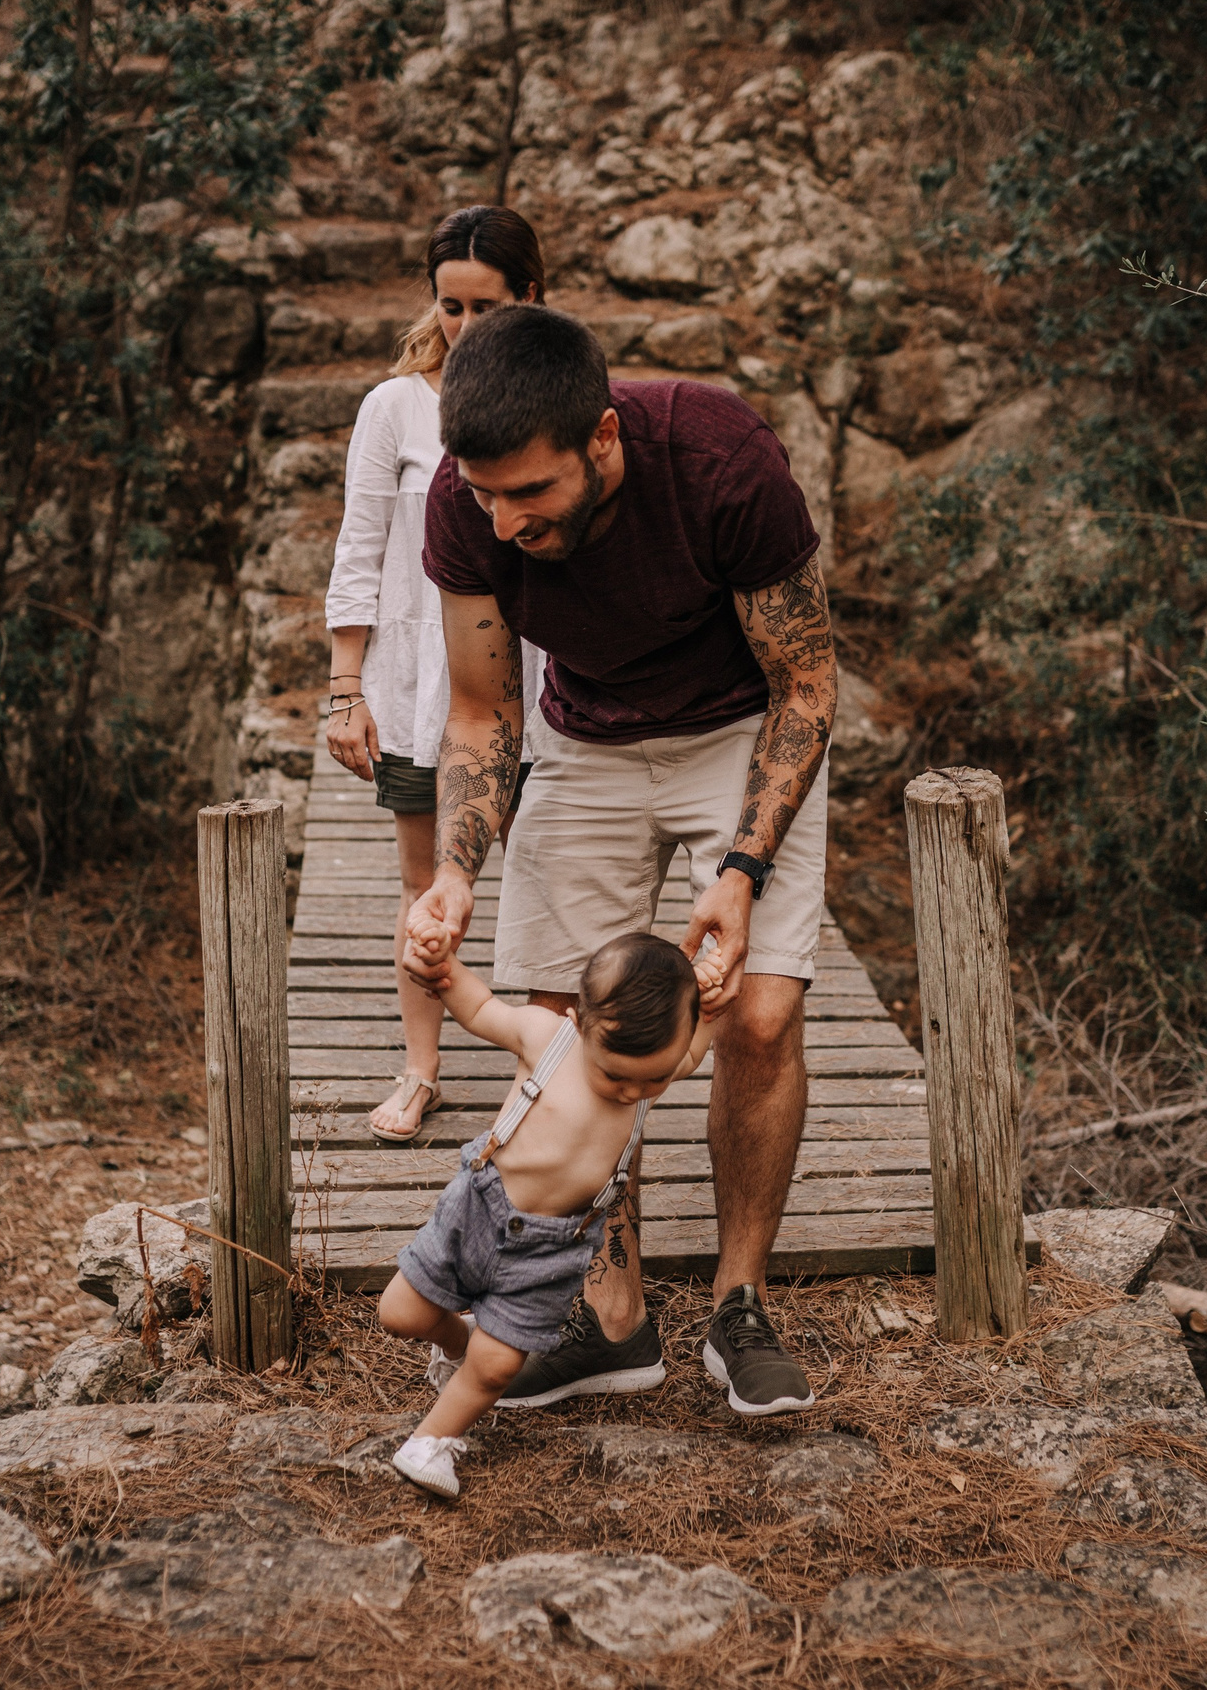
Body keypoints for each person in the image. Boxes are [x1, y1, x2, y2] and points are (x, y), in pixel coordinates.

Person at [402, 304, 840, 1418]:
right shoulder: (464, 507)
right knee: (561, 1020)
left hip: (739, 727)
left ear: (602, 439)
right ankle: (608, 1319)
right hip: (581, 740)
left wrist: (738, 870)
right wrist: (452, 875)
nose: (500, 522)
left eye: (529, 494)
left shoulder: (721, 460)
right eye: (484, 494)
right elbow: (478, 710)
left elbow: (806, 685)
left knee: (756, 1014)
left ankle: (738, 1307)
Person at [324, 206, 549, 1143]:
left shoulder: (560, 396)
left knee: (545, 882)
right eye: (450, 307)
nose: (464, 328)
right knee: (426, 884)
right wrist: (346, 686)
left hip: (544, 686)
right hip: (423, 688)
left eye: (486, 307)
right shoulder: (396, 407)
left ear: (531, 297)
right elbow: (361, 545)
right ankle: (421, 1069)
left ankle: (540, 1078)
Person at [378, 931, 723, 1498]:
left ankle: (430, 1442)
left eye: (653, 1080)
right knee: (400, 1313)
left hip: (555, 1247)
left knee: (498, 1366)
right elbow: (481, 1007)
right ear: (580, 1020)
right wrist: (441, 967)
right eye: (616, 1076)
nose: (634, 1091)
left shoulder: (651, 1064)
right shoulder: (548, 1038)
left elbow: (687, 1052)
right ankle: (458, 1341)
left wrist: (708, 1004)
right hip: (479, 1209)